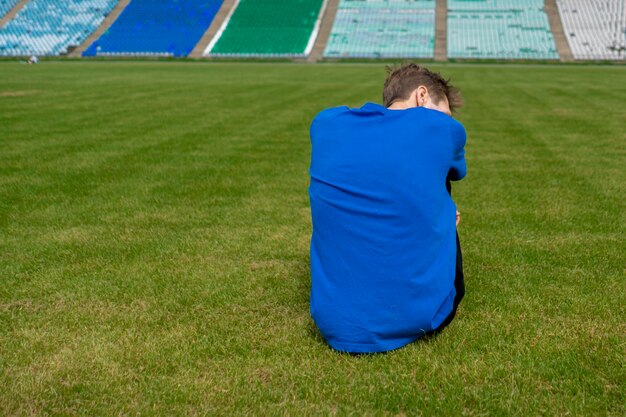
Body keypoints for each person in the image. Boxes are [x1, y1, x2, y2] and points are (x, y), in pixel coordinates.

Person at [308, 63, 467, 353]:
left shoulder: (325, 123)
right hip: (420, 317)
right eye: (443, 112)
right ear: (422, 95)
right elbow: (456, 172)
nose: (446, 121)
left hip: (332, 322)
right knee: (442, 184)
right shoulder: (443, 129)